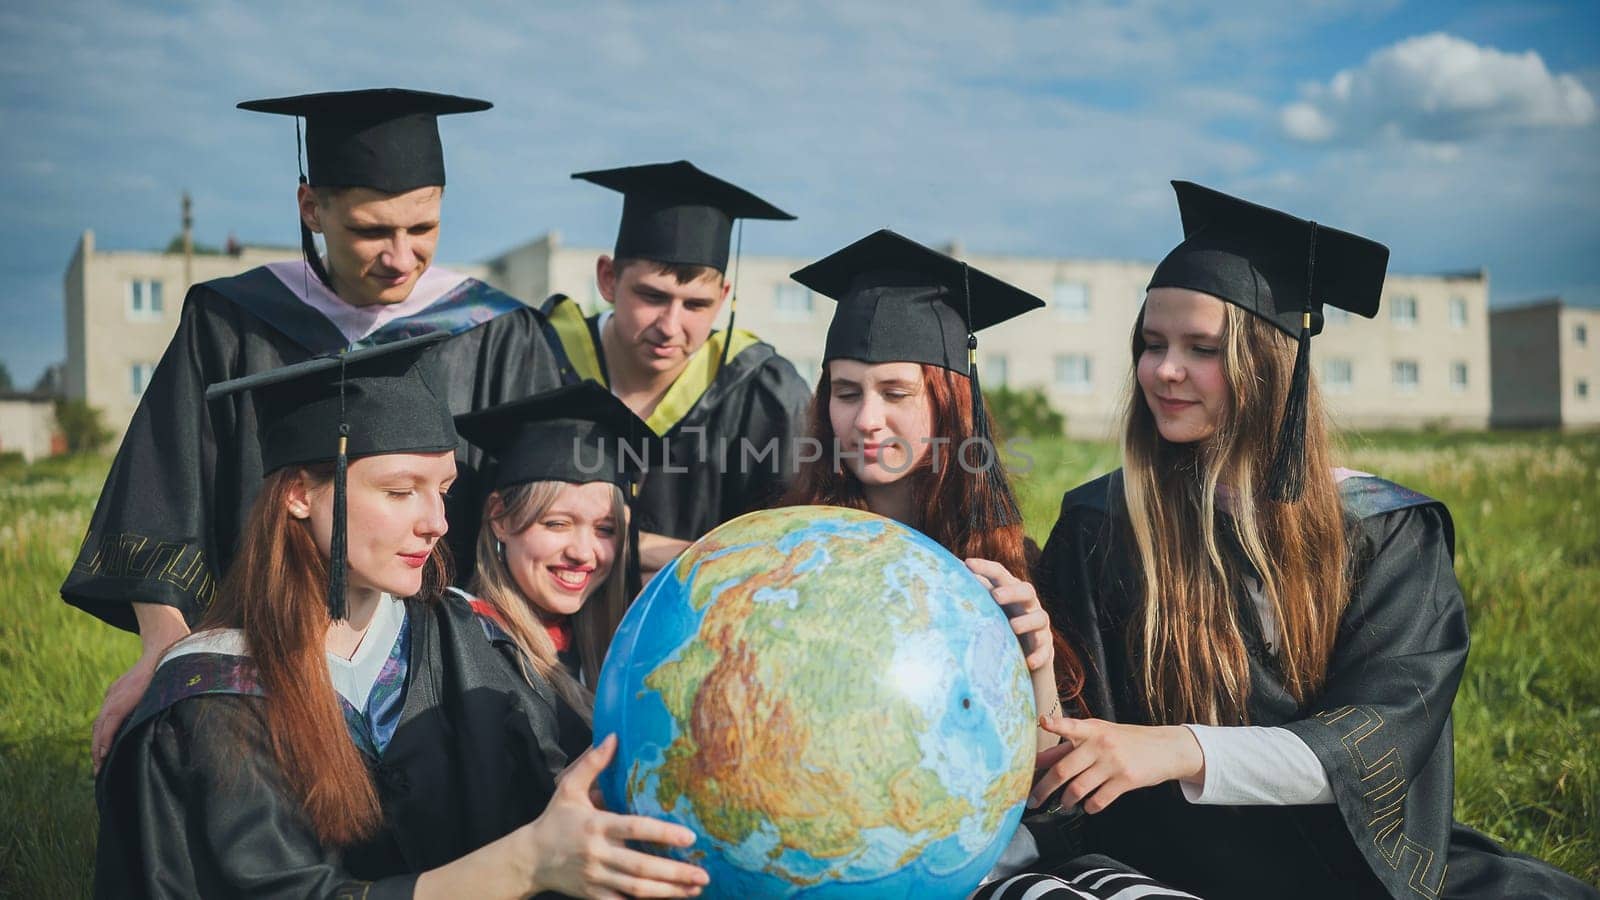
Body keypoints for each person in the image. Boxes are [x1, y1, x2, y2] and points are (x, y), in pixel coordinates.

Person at [1032, 182, 1597, 899]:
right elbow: (1067, 747)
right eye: (1151, 344)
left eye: (1200, 348)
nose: (1163, 371)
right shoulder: (1104, 523)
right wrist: (1038, 661)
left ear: (1267, 366)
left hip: (1340, 863)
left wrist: (1178, 747)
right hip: (1159, 863)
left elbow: (1376, 742)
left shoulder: (1383, 530)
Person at [93, 335, 709, 899]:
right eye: (399, 491)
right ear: (298, 493)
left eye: (442, 490)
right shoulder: (210, 697)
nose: (437, 523)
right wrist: (526, 862)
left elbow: (557, 786)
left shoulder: (469, 639)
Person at [67, 88, 567, 771]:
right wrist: (165, 651)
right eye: (370, 231)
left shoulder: (495, 330)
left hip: (447, 659)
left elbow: (550, 500)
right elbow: (162, 490)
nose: (400, 256)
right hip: (269, 658)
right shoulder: (232, 320)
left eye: (423, 229)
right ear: (312, 208)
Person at [781, 231, 1192, 898]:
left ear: (949, 401)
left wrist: (1036, 667)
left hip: (1018, 849)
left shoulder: (1005, 559)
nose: (866, 417)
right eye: (847, 391)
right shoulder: (795, 559)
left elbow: (1048, 788)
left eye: (895, 391)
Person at [546, 160, 812, 576]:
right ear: (608, 278)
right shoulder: (537, 360)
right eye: (652, 296)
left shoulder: (764, 393)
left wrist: (643, 548)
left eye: (695, 305)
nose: (670, 327)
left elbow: (788, 555)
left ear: (723, 297)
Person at [454, 381, 661, 760]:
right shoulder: (459, 639)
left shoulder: (615, 648)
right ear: (499, 517)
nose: (583, 552)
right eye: (557, 524)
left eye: (605, 530)